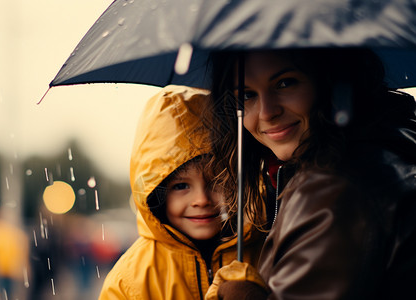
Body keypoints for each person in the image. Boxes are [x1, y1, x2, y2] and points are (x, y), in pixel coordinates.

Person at [204, 48, 416, 299]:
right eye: (247, 95)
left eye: (284, 83)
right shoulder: (387, 140)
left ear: (330, 77)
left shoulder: (333, 189)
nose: (266, 112)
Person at [98, 85, 265, 300]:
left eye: (218, 181)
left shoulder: (266, 248)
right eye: (181, 186)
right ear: (157, 196)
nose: (201, 200)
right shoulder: (129, 281)